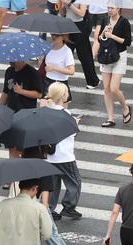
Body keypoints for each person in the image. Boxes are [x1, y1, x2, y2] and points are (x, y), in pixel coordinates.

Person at [44, 82, 83, 221]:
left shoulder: (46, 112)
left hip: (50, 157)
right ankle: (69, 207)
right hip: (65, 156)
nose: (68, 94)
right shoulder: (66, 114)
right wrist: (76, 124)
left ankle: (50, 208)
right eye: (66, 92)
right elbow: (71, 134)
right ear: (62, 96)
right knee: (75, 182)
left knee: (53, 185)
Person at [59, 0, 99, 89]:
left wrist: (69, 4)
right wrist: (61, 6)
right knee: (65, 53)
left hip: (80, 26)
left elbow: (82, 13)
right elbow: (63, 14)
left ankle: (92, 81)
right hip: (67, 26)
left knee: (84, 55)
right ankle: (60, 78)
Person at [94, 7, 132, 127]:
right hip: (106, 55)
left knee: (114, 88)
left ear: (118, 9)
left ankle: (125, 108)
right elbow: (100, 39)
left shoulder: (124, 22)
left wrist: (112, 36)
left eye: (112, 8)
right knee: (106, 88)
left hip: (119, 56)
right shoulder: (105, 20)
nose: (109, 10)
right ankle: (110, 118)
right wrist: (104, 33)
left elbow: (128, 42)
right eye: (108, 7)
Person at [21, 147, 65, 245]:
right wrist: (45, 208)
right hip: (37, 206)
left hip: (22, 204)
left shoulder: (21, 165)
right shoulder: (43, 167)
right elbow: (45, 188)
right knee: (51, 234)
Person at [0, 178, 52, 245]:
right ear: (35, 188)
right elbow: (47, 234)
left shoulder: (3, 204)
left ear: (20, 186)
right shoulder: (40, 208)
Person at [43, 34, 75, 108]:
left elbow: (71, 71)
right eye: (52, 34)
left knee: (61, 112)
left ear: (63, 37)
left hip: (61, 84)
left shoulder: (67, 51)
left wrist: (55, 68)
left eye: (57, 35)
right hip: (48, 82)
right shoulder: (48, 48)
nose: (53, 37)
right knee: (45, 111)